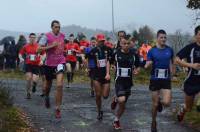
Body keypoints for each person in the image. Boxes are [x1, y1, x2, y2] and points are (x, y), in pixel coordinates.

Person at [144, 30, 174, 132]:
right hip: (155, 79)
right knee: (155, 104)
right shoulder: (152, 51)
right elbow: (147, 63)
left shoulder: (170, 50)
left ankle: (161, 103)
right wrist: (148, 65)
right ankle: (153, 121)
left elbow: (171, 63)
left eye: (165, 37)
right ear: (157, 38)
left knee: (167, 102)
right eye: (161, 37)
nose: (163, 39)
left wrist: (172, 75)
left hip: (166, 79)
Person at [110, 35, 140, 130]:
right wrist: (111, 67)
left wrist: (137, 70)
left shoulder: (134, 54)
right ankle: (117, 99)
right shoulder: (116, 53)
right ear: (120, 44)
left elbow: (138, 65)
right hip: (119, 81)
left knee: (123, 105)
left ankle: (116, 119)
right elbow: (109, 62)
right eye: (124, 43)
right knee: (122, 100)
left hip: (128, 82)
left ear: (130, 44)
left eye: (128, 43)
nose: (126, 45)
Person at [38, 20, 66, 119]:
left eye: (59, 27)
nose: (57, 28)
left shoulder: (63, 36)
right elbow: (38, 49)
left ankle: (57, 108)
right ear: (52, 27)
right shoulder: (46, 36)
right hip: (49, 64)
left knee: (59, 85)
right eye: (55, 27)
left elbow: (63, 47)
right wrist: (51, 46)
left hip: (60, 62)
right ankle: (46, 96)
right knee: (47, 86)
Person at [176, 25, 200, 121]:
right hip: (191, 81)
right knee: (189, 108)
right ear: (196, 36)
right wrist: (191, 65)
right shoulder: (190, 47)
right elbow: (177, 59)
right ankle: (183, 109)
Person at [88, 34, 112, 120]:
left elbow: (110, 61)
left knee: (105, 96)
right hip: (96, 75)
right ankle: (99, 111)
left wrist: (108, 73)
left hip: (105, 75)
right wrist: (88, 68)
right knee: (98, 95)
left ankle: (104, 90)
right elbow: (87, 59)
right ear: (97, 41)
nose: (102, 42)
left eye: (103, 41)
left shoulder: (108, 49)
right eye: (100, 41)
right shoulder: (93, 50)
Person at [19, 33, 41, 99]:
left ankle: (34, 85)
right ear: (29, 38)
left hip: (36, 65)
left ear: (35, 38)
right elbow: (20, 53)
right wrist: (21, 58)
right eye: (31, 37)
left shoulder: (38, 46)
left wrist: (42, 60)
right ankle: (28, 93)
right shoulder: (25, 46)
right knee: (28, 79)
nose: (32, 39)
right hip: (28, 64)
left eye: (34, 37)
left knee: (35, 79)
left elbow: (44, 54)